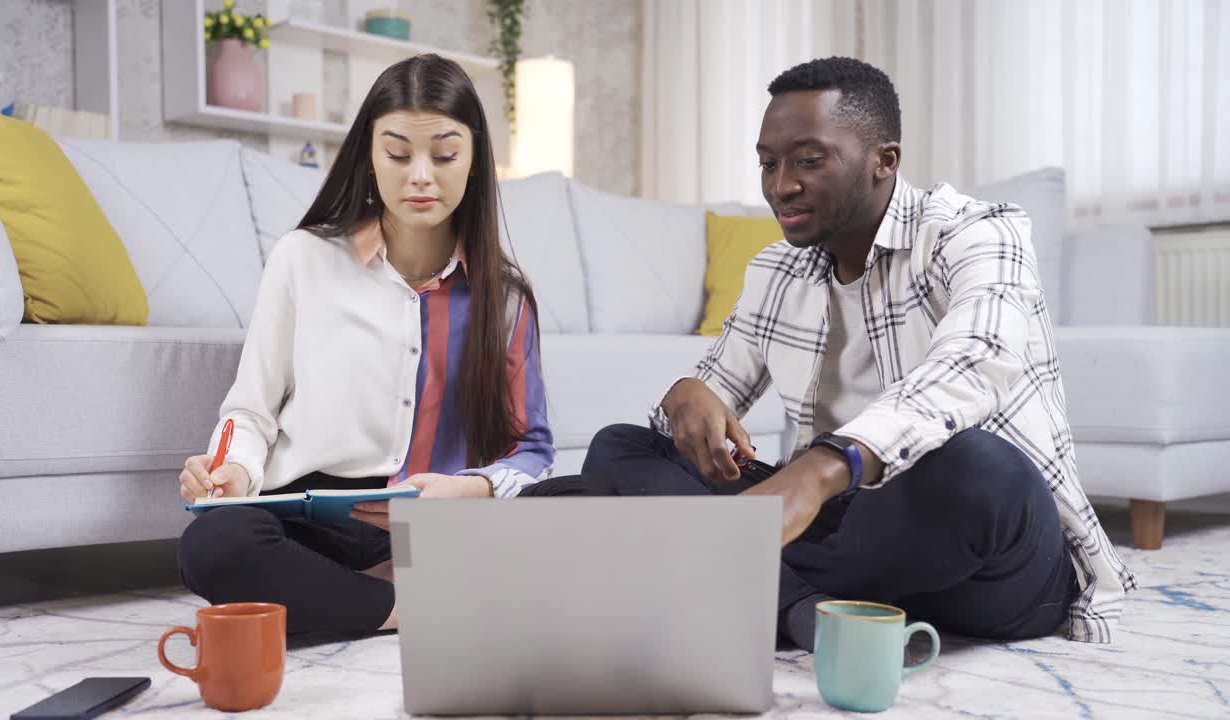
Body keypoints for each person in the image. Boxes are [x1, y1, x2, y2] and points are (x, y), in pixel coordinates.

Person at [580, 57, 1135, 649]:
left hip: (986, 560)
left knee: (982, 468)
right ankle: (802, 611)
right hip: (853, 539)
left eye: (808, 160)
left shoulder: (979, 231)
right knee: (621, 447)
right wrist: (688, 397)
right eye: (768, 163)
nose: (779, 185)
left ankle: (707, 571)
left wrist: (823, 469)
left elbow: (974, 361)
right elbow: (712, 399)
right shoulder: (775, 269)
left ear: (884, 161)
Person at [176, 54, 556, 638]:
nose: (421, 176)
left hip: (433, 525)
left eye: (446, 154)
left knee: (575, 503)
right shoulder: (302, 258)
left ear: (476, 160)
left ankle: (342, 602)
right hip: (306, 515)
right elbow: (250, 410)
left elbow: (531, 454)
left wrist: (467, 488)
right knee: (215, 545)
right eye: (398, 154)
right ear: (369, 157)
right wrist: (231, 471)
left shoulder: (504, 300)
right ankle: (402, 608)